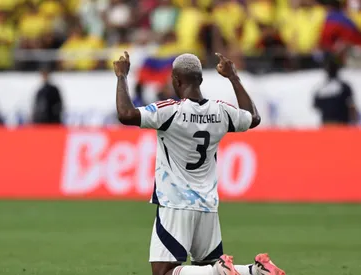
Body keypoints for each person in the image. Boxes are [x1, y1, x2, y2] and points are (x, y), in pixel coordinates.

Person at [113, 51, 285, 275]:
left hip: (175, 203)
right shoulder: (220, 111)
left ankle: (221, 271)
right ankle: (255, 271)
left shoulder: (171, 111)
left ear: (176, 80)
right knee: (206, 270)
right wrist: (233, 77)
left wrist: (121, 76)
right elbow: (253, 117)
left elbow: (126, 114)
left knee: (164, 273)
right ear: (201, 79)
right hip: (207, 205)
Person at [313, 55, 359, 125]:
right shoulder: (344, 86)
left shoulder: (321, 88)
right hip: (342, 123)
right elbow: (351, 105)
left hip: (326, 123)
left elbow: (315, 105)